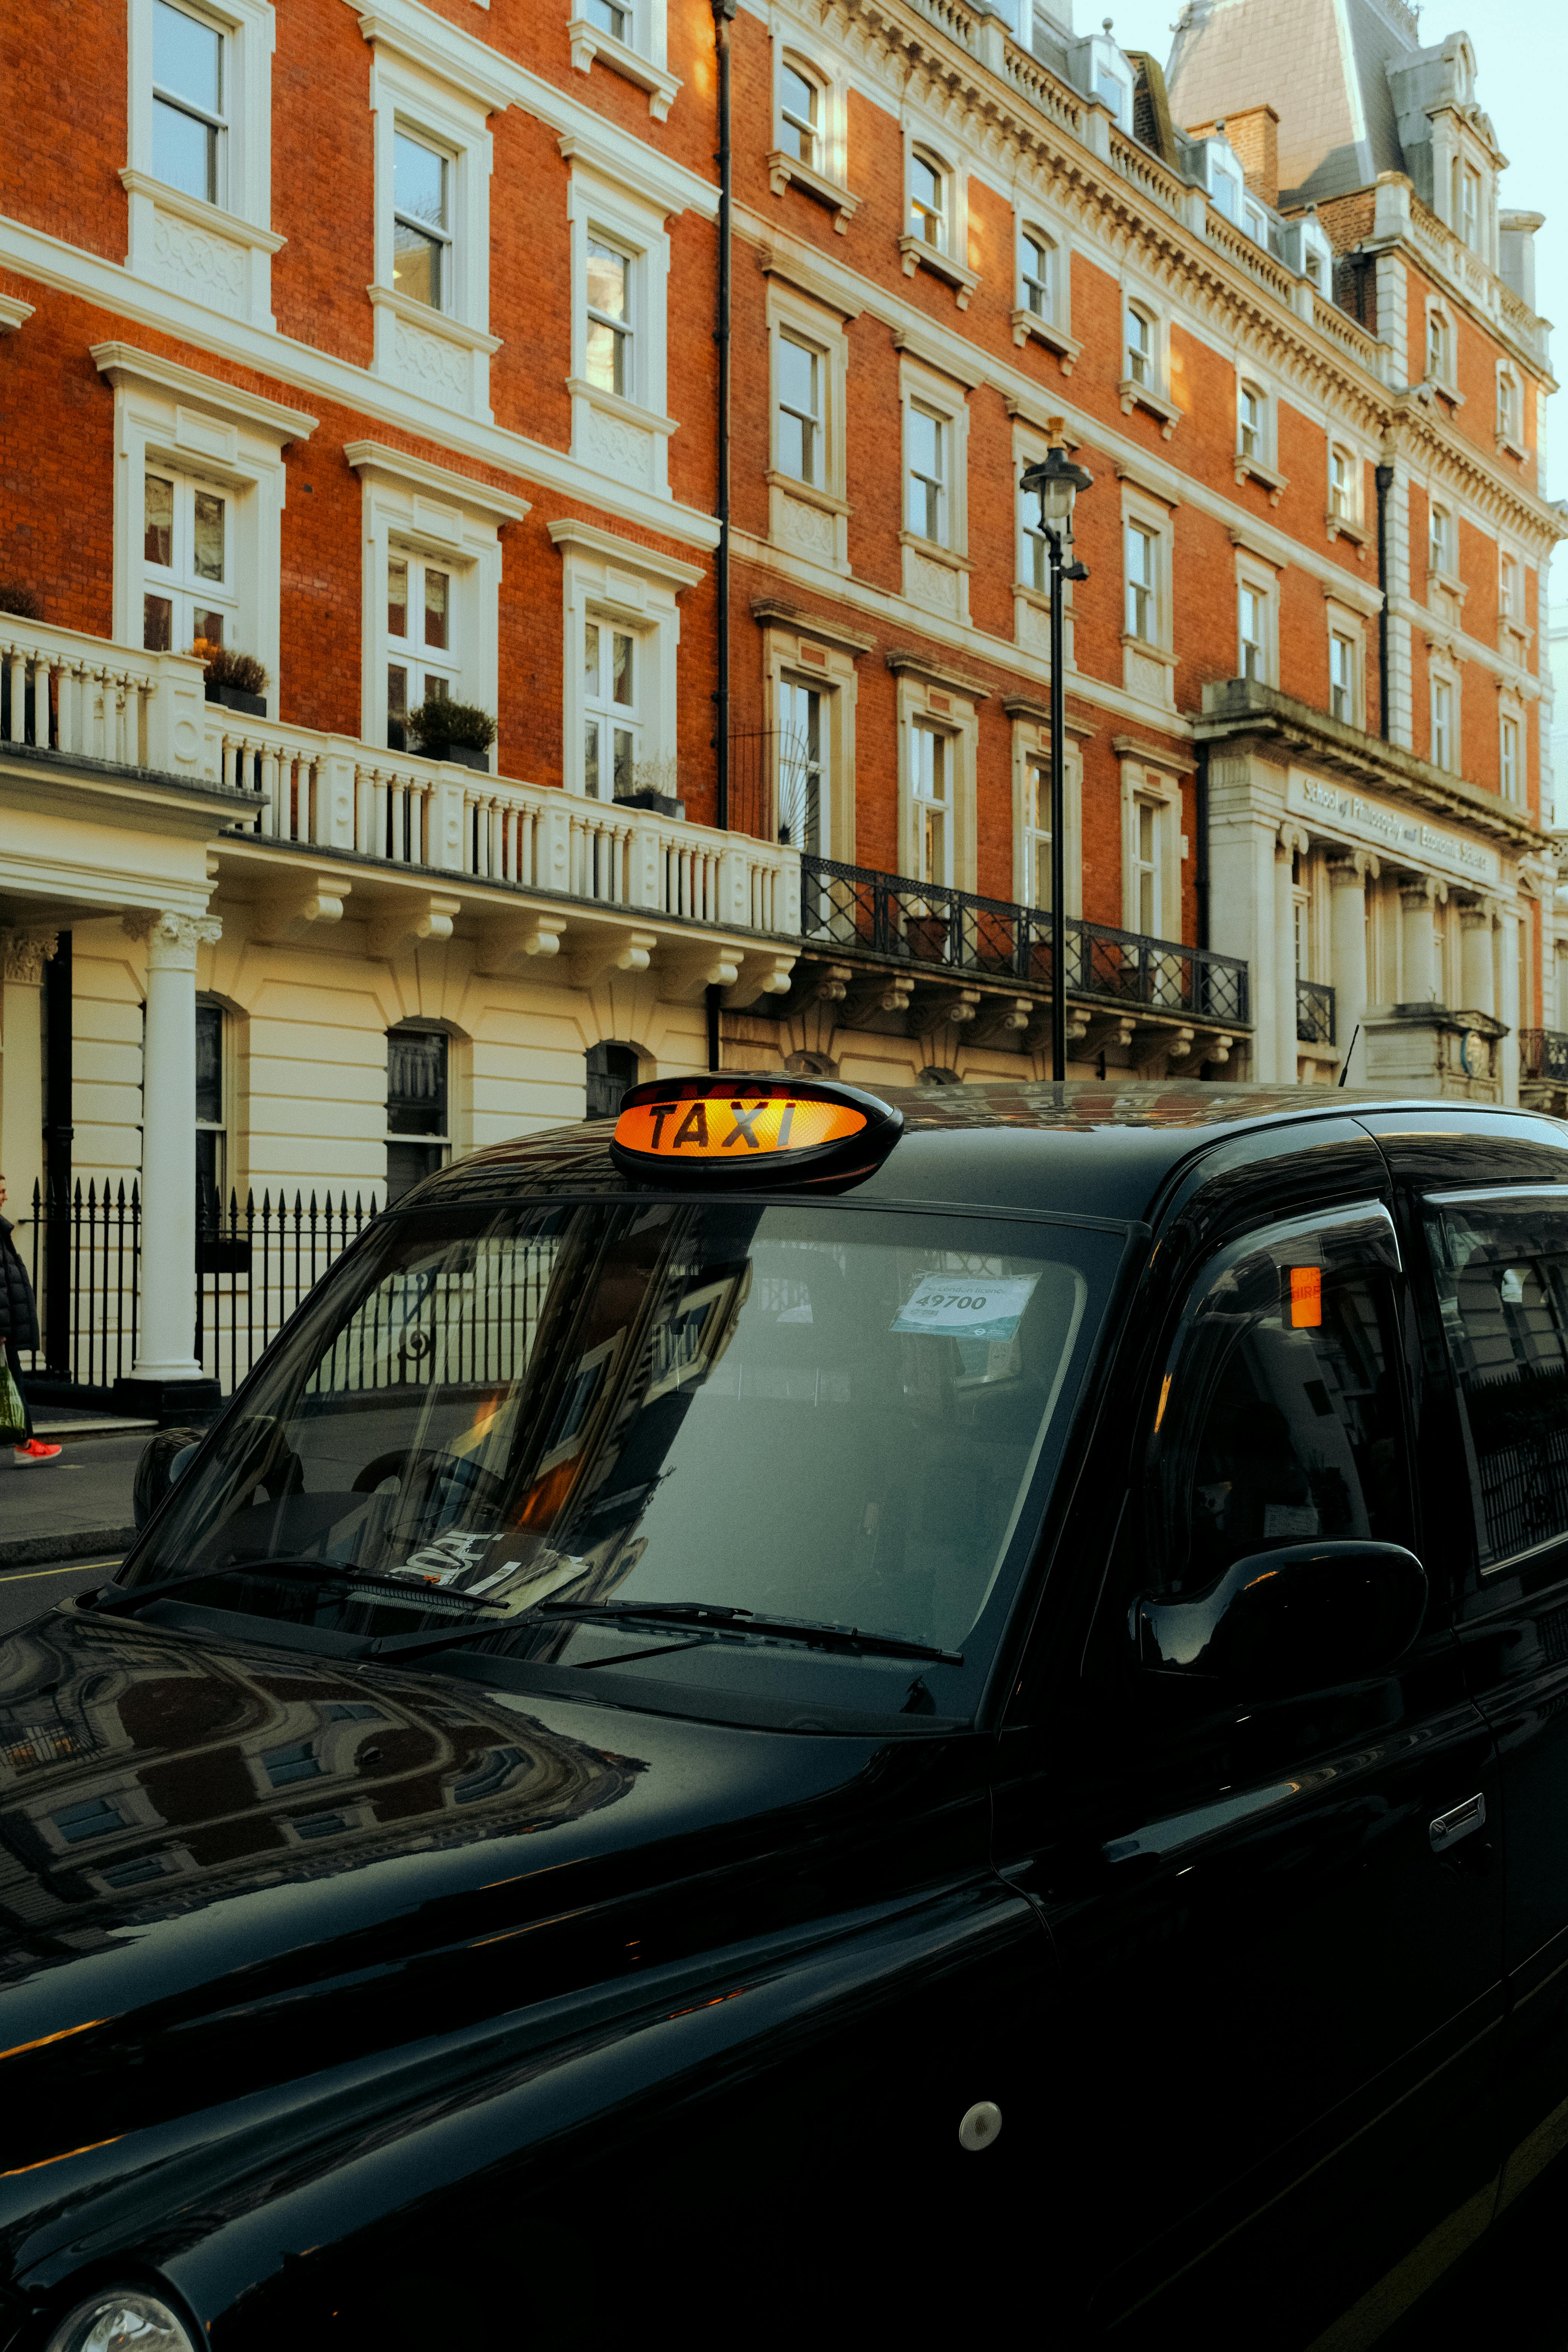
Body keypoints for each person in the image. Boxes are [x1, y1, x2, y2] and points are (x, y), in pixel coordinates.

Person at [0, 1174, 61, 1464]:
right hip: (2, 1330)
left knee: (13, 1381)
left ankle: (25, 1442)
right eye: (1, 1191)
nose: (5, 1197)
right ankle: (25, 1444)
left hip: (5, 1328)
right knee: (13, 1381)